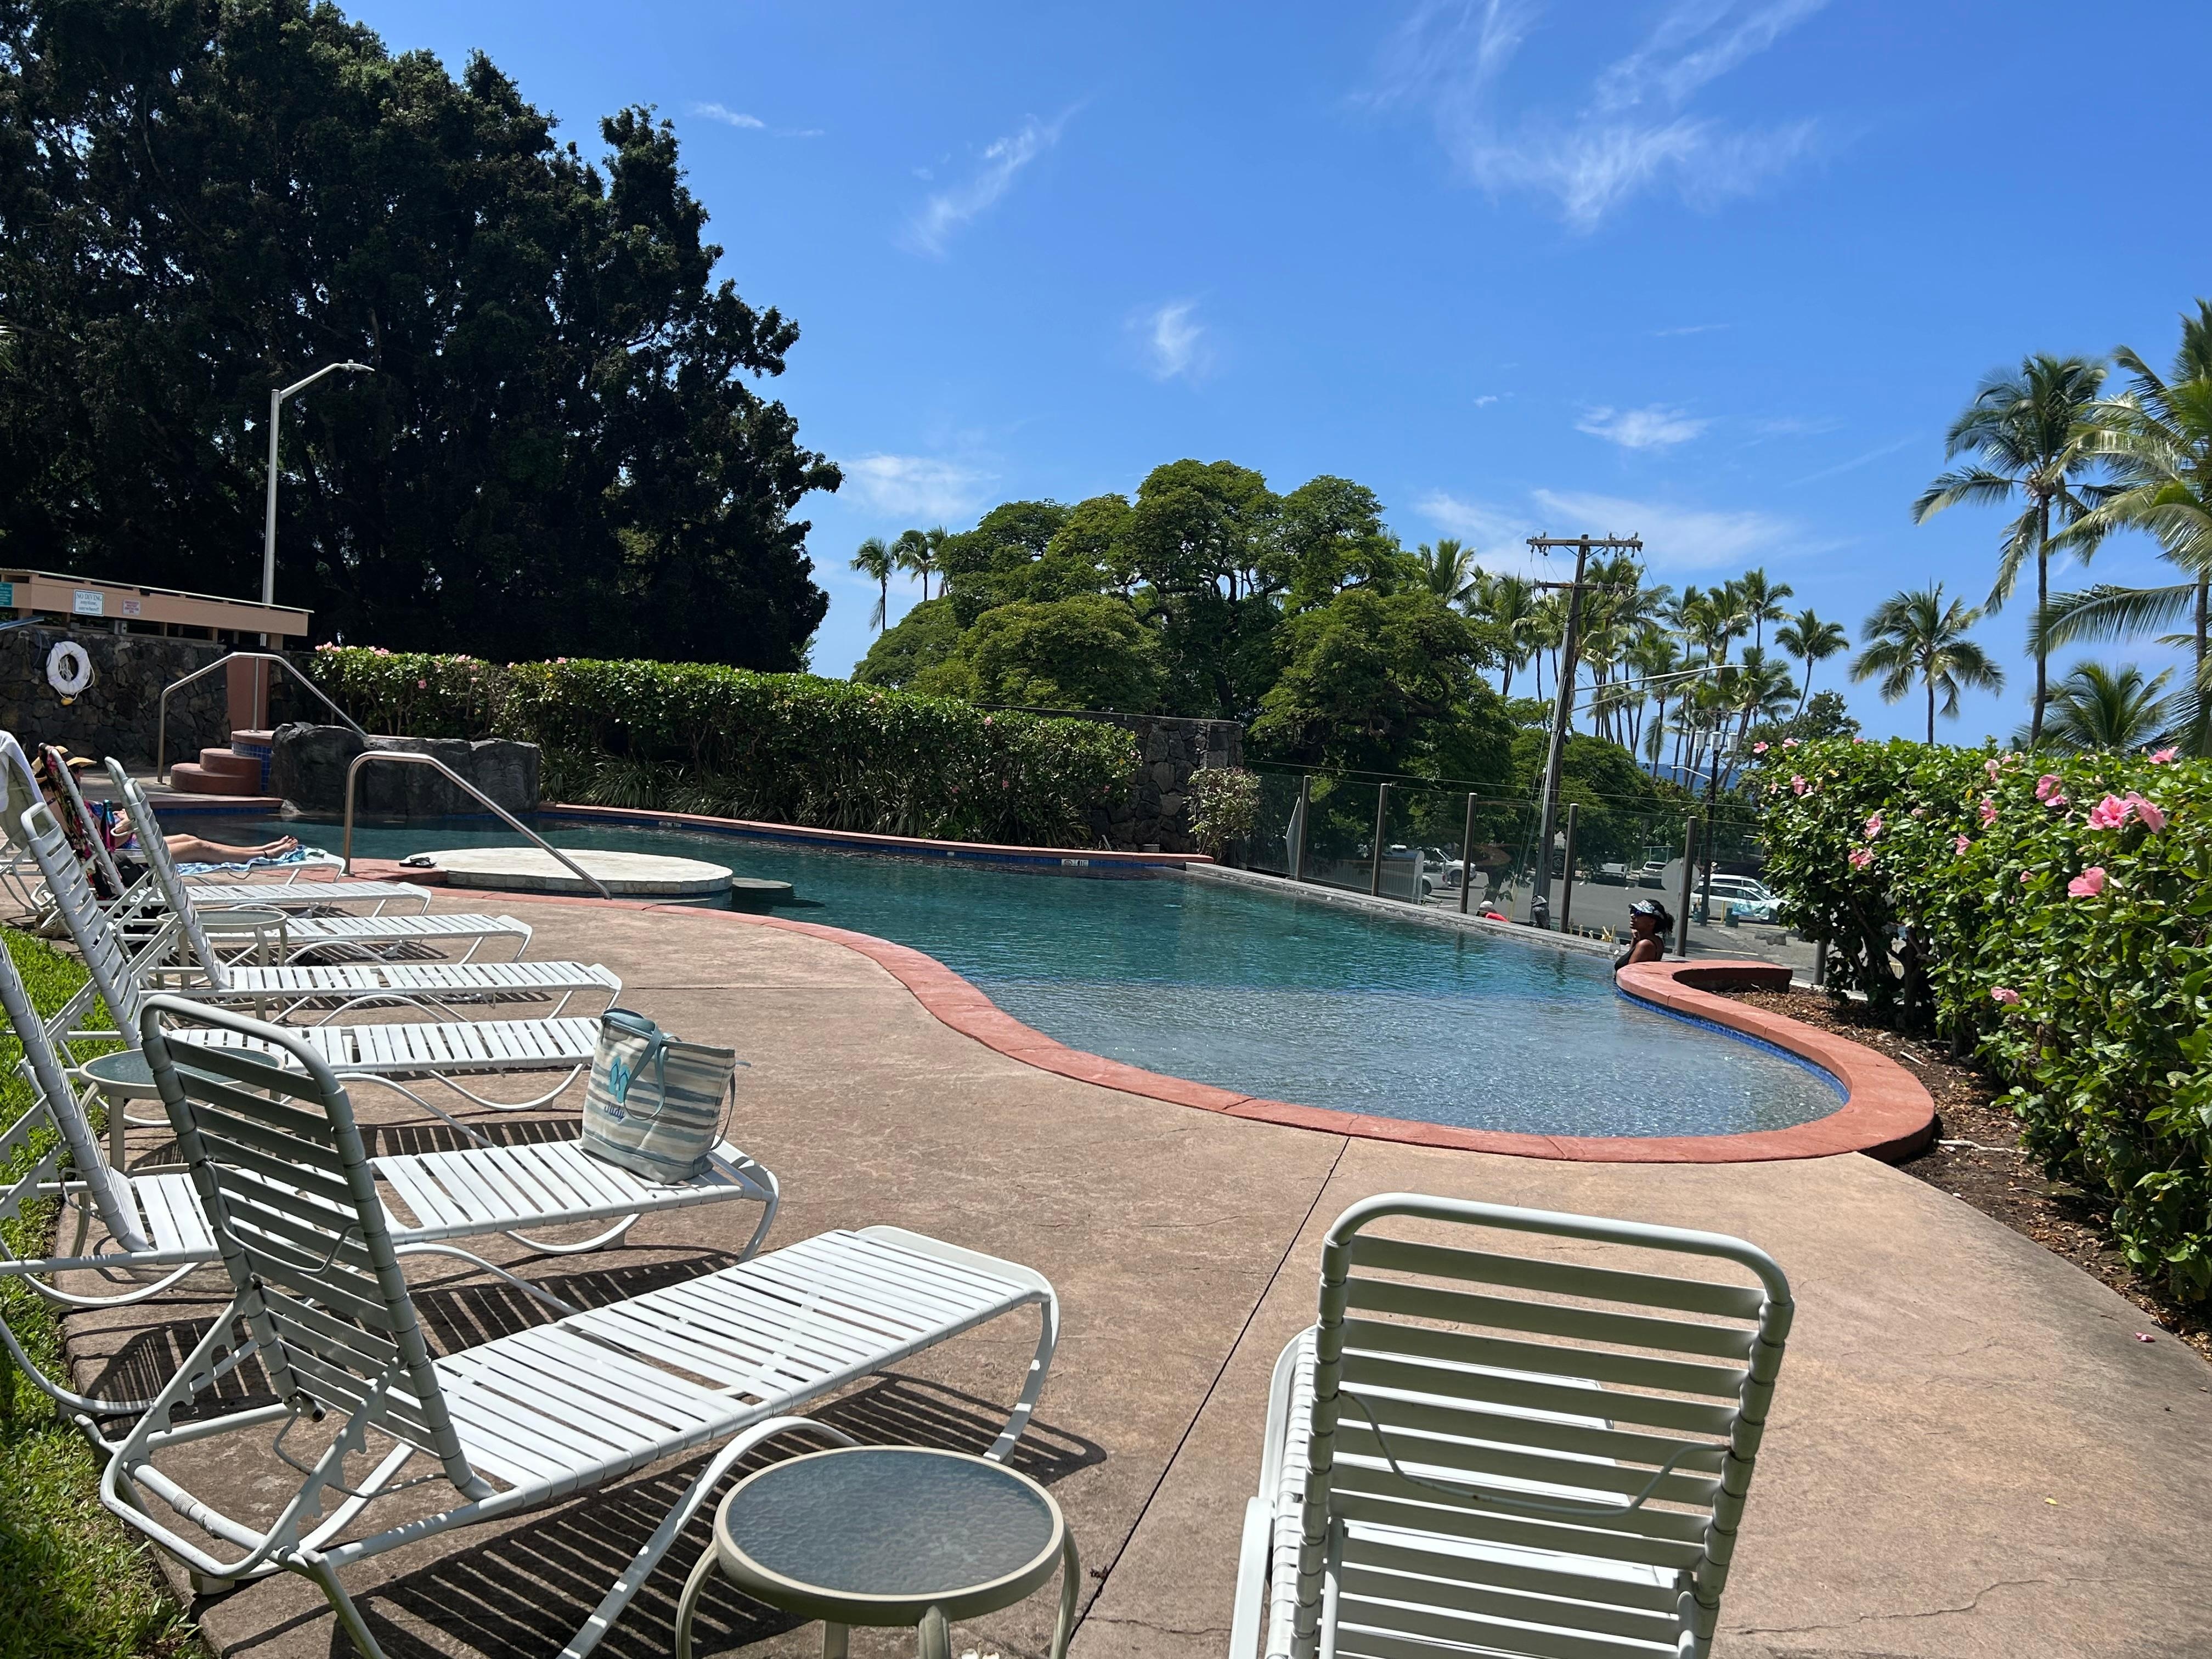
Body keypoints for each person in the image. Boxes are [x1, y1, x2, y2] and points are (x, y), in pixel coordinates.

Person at [1615, 898, 1673, 973]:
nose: (1633, 915)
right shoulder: (1656, 940)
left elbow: (1628, 973)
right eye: (1633, 911)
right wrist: (1635, 939)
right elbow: (1629, 959)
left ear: (1652, 922)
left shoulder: (1645, 945)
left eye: (1639, 913)